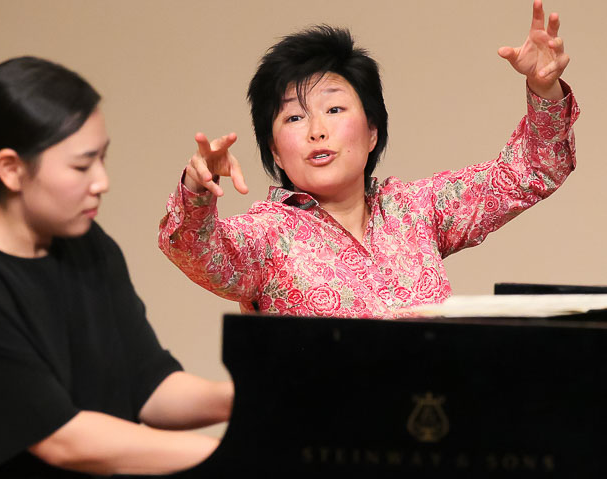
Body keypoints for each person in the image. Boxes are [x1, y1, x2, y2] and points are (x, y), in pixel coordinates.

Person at [0, 56, 233, 479]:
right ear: (11, 169)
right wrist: (230, 458)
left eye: (103, 158)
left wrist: (257, 398)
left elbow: (149, 386)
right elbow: (63, 438)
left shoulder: (89, 247)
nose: (102, 181)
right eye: (82, 165)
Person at [158, 1, 578, 318]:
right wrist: (196, 190)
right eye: (294, 117)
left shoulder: (416, 210)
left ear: (372, 129)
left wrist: (545, 91)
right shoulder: (267, 235)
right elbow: (198, 251)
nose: (316, 130)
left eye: (334, 109)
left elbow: (528, 172)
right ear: (274, 151)